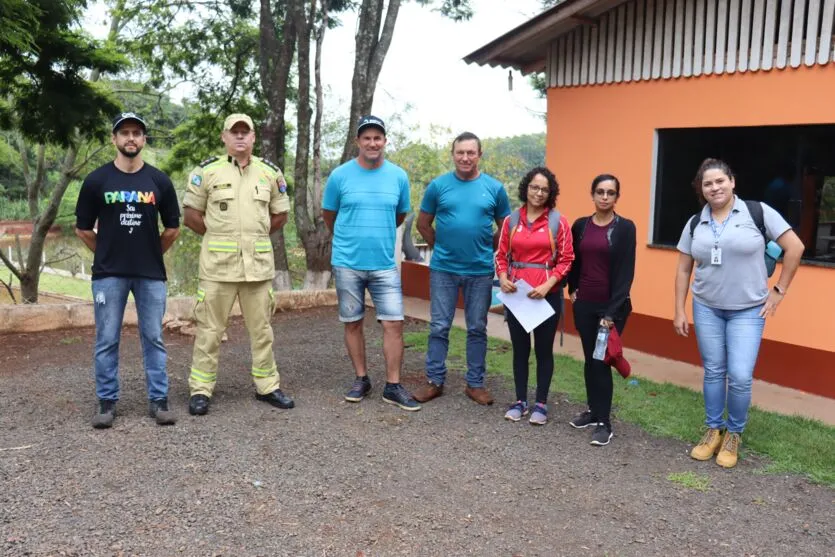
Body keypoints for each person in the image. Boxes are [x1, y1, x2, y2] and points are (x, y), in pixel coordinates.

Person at [674, 158, 804, 468]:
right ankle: (713, 429)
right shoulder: (696, 223)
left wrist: (779, 291)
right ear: (701, 190)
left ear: (732, 182)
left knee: (741, 376)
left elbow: (795, 247)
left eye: (720, 181)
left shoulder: (757, 212)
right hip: (706, 307)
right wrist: (679, 309)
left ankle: (734, 433)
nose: (715, 187)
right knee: (715, 371)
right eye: (708, 184)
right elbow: (683, 269)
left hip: (747, 310)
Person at [182, 113, 294, 415]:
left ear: (254, 138)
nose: (240, 137)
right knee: (209, 330)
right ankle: (201, 389)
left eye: (246, 132)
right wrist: (222, 236)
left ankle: (267, 386)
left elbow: (280, 215)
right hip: (218, 267)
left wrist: (252, 238)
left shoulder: (269, 173)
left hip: (257, 268)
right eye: (235, 132)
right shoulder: (207, 172)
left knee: (262, 331)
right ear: (224, 137)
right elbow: (191, 215)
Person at [75, 112, 181, 428]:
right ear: (114, 139)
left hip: (151, 276)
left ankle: (159, 401)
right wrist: (109, 253)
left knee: (153, 337)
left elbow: (173, 228)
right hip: (108, 275)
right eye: (124, 133)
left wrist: (149, 254)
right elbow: (82, 229)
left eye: (136, 133)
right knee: (106, 338)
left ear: (144, 140)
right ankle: (107, 403)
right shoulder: (97, 180)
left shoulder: (159, 181)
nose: (130, 138)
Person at [321, 115, 420, 411]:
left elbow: (400, 215)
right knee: (353, 323)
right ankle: (361, 378)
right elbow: (330, 216)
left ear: (385, 141)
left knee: (394, 323)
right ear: (358, 142)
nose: (372, 143)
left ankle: (393, 385)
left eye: (378, 138)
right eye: (367, 138)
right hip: (347, 262)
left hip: (384, 264)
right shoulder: (340, 176)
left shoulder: (398, 177)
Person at [414, 132, 512, 406]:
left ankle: (475, 384)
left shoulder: (494, 188)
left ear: (480, 155)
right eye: (460, 152)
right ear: (453, 154)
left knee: (477, 327)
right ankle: (434, 381)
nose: (465, 157)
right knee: (439, 326)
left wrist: (487, 249)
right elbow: (423, 224)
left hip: (479, 270)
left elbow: (505, 227)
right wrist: (442, 246)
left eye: (471, 152)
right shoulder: (438, 186)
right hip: (443, 269)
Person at [495, 167, 574, 425]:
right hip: (517, 296)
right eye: (534, 187)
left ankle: (541, 403)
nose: (538, 193)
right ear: (526, 188)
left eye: (544, 189)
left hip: (545, 296)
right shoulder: (511, 221)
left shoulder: (557, 222)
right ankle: (520, 401)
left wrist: (549, 284)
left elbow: (566, 259)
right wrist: (504, 278)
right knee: (519, 349)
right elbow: (501, 255)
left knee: (543, 350)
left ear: (550, 193)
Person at [566, 174, 636, 446]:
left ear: (617, 197)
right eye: (600, 192)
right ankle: (593, 412)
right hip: (584, 305)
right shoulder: (581, 225)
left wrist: (610, 314)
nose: (605, 197)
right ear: (592, 194)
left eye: (610, 192)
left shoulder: (625, 228)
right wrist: (571, 289)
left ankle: (605, 423)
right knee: (589, 359)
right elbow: (573, 260)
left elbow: (626, 272)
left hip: (611, 310)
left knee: (601, 361)